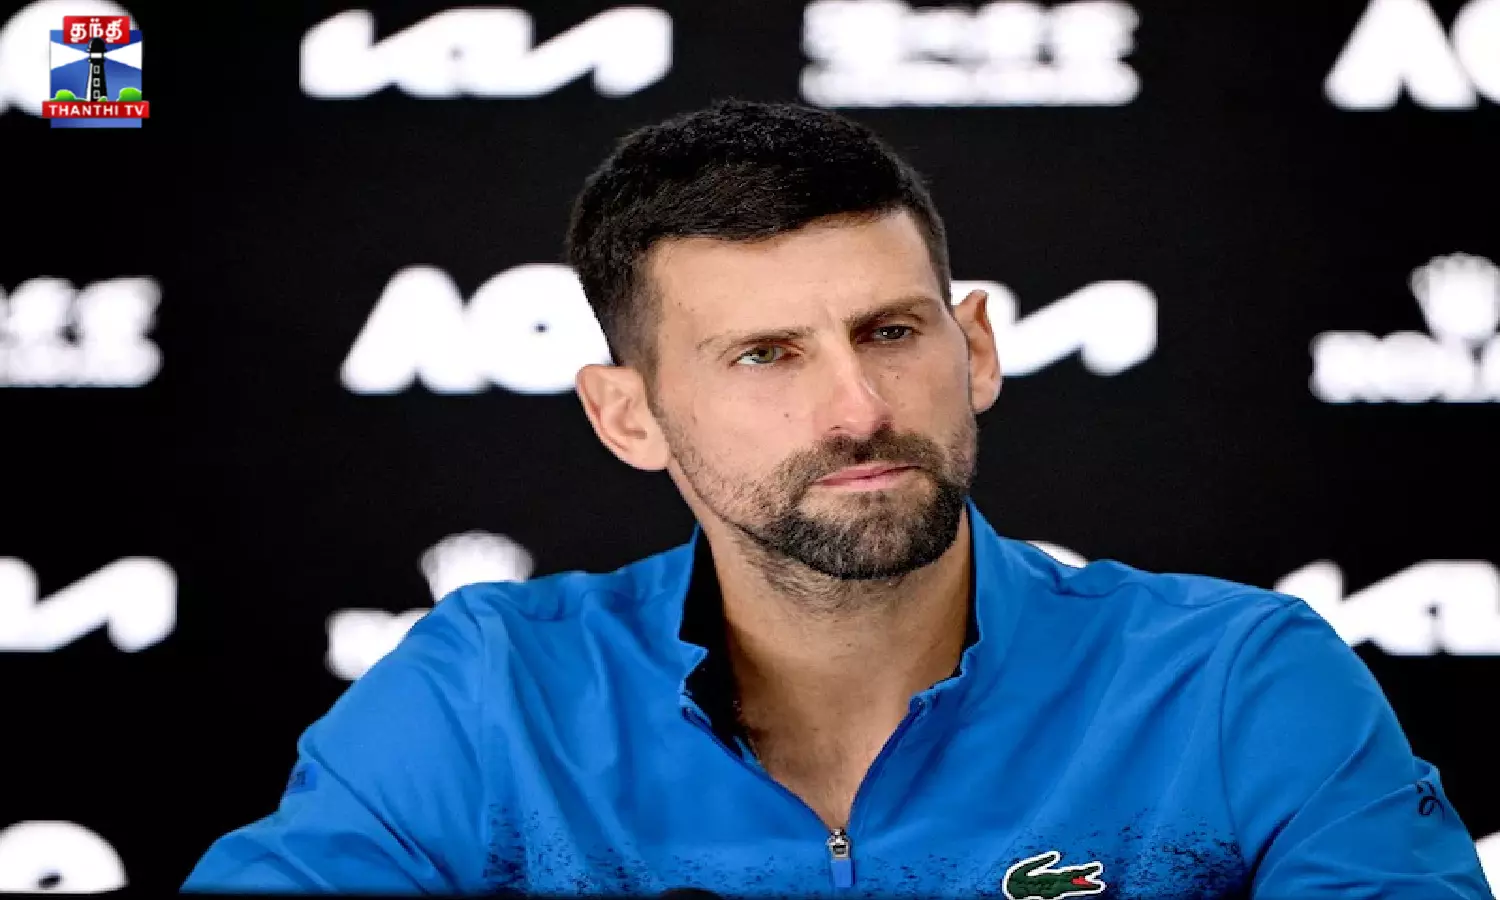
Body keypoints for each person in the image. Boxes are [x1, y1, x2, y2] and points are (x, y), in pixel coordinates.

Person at [181, 99, 1493, 898]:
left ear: (975, 350)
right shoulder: (491, 692)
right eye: (765, 356)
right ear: (627, 415)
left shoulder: (1237, 682)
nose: (857, 408)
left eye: (891, 333)